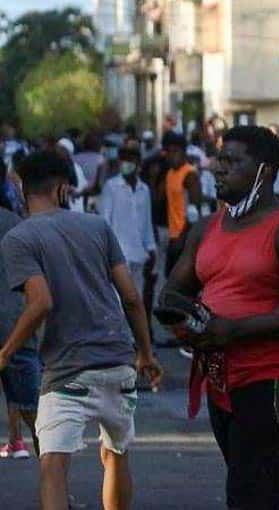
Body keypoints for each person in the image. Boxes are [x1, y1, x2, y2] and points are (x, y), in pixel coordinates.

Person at [161, 125, 279, 510]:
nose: (219, 169)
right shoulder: (206, 227)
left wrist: (232, 330)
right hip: (220, 375)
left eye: (233, 161)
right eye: (220, 159)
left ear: (264, 171)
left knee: (250, 491)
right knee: (260, 487)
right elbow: (173, 293)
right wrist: (186, 325)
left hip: (274, 374)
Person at [0, 150, 162, 510]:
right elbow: (132, 298)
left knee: (53, 465)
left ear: (23, 189)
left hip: (66, 371)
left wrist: (5, 353)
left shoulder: (20, 238)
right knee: (115, 454)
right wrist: (147, 353)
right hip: (118, 363)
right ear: (63, 190)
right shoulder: (97, 226)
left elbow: (40, 303)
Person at [0, 207, 40, 459]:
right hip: (16, 324)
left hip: (14, 325)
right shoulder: (16, 223)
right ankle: (57, 492)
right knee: (36, 415)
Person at [99, 147, 158, 296]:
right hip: (119, 253)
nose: (126, 164)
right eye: (123, 160)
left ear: (139, 163)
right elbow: (104, 221)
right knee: (118, 298)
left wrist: (150, 247)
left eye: (130, 160)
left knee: (136, 296)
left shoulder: (144, 189)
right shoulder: (111, 187)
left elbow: (147, 222)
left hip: (139, 253)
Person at [162, 131, 202, 276]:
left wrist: (182, 239)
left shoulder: (190, 175)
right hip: (173, 234)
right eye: (168, 151)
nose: (171, 155)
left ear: (184, 152)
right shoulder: (170, 173)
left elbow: (194, 213)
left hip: (185, 239)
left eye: (175, 151)